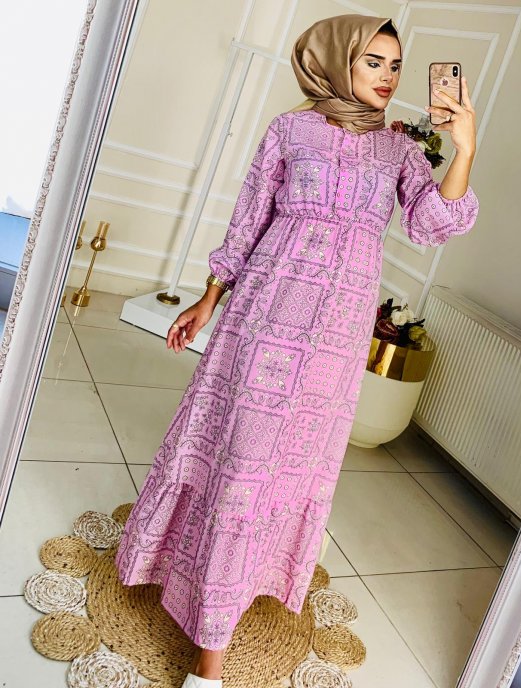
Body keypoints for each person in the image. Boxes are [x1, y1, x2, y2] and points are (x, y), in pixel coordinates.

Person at [115, 13, 479, 688]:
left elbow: (434, 225)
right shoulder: (290, 131)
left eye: (396, 65)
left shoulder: (400, 149)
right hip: (267, 312)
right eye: (373, 61)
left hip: (337, 335)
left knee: (288, 469)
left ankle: (240, 585)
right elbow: (249, 218)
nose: (388, 77)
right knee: (239, 458)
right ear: (337, 61)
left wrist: (464, 149)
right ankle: (209, 652)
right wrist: (208, 297)